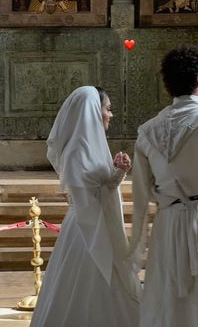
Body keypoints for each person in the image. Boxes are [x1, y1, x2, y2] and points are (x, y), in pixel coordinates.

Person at [130, 47, 198, 327]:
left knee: (168, 296)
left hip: (168, 221)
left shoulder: (147, 132)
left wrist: (136, 250)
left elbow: (140, 198)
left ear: (167, 85)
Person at [30, 86, 140, 327]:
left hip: (96, 222)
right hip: (87, 227)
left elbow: (99, 186)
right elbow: (92, 194)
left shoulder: (89, 145)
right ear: (93, 110)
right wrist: (117, 174)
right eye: (107, 109)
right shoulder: (78, 149)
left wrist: (117, 172)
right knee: (89, 282)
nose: (110, 115)